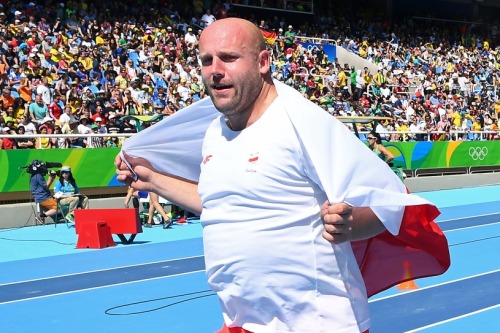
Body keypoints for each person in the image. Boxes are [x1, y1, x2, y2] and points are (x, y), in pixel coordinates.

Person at [116, 18, 449, 333]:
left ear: (263, 62)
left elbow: (391, 203)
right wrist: (151, 179)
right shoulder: (214, 134)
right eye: (206, 60)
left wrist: (353, 223)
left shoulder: (302, 122)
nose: (215, 71)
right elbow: (220, 205)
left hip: (318, 324)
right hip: (243, 321)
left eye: (229, 58)